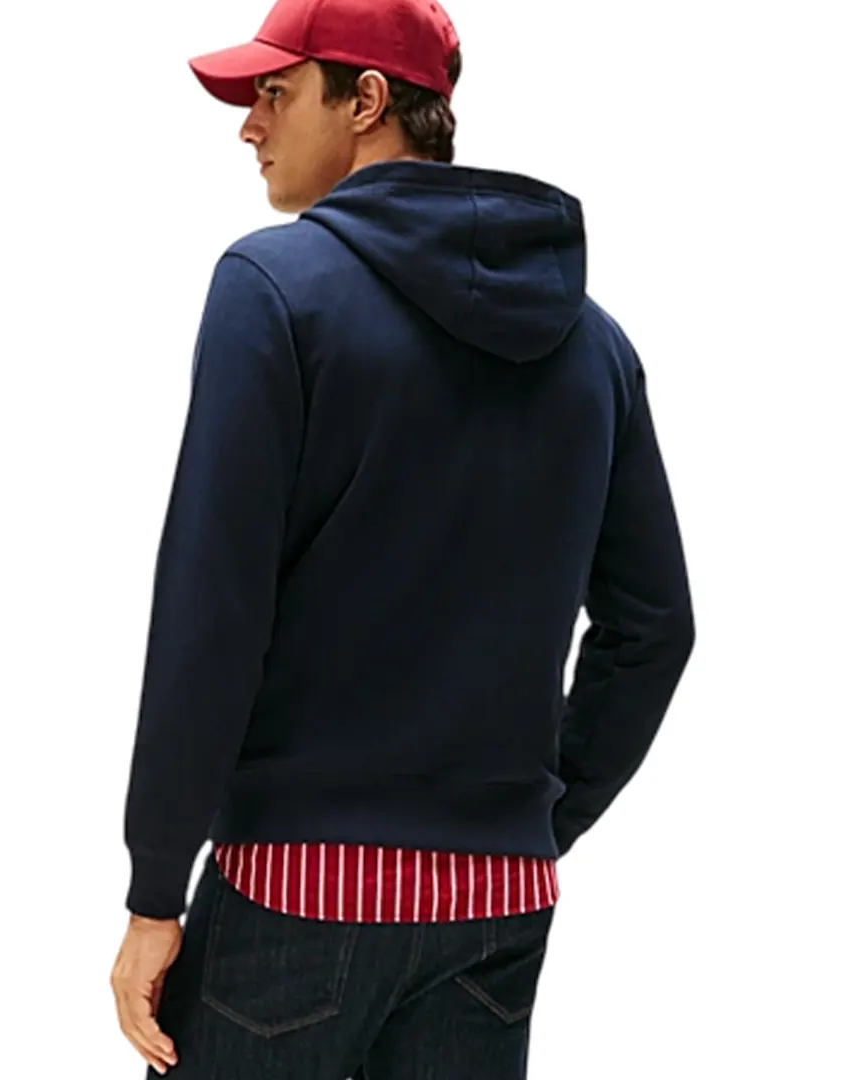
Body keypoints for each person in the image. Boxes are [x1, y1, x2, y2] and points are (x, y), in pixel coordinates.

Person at [109, 0, 696, 1075]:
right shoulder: (594, 343)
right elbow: (655, 625)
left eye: (275, 93)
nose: (249, 125)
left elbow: (213, 613)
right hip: (496, 906)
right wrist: (532, 821)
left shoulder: (271, 290)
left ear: (367, 101)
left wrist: (155, 892)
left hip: (297, 890)